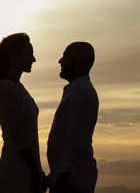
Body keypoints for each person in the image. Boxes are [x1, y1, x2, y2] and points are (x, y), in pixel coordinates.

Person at [0, 33, 45, 193]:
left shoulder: (18, 87)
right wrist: (33, 167)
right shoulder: (6, 88)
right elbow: (18, 135)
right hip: (17, 168)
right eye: (29, 54)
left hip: (27, 166)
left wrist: (37, 169)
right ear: (14, 56)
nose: (34, 59)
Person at [47, 42, 99, 193]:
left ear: (78, 61)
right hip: (69, 181)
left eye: (65, 56)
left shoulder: (81, 94)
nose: (60, 61)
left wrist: (59, 183)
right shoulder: (75, 92)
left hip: (73, 184)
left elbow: (74, 143)